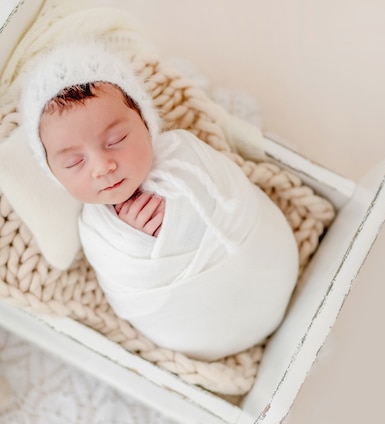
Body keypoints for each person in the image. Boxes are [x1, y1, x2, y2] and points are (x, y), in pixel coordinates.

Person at [21, 43, 299, 361]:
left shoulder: (186, 156)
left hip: (266, 264)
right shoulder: (97, 230)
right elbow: (125, 287)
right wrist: (139, 240)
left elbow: (232, 196)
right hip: (196, 330)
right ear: (54, 173)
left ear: (145, 121)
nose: (102, 167)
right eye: (74, 162)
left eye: (116, 140)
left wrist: (183, 219)